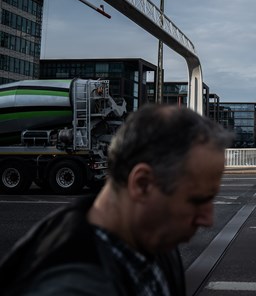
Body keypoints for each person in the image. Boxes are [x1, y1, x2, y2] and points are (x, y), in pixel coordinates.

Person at [0, 104, 233, 296]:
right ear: (141, 184)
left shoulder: (153, 240)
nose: (208, 219)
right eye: (197, 200)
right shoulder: (68, 287)